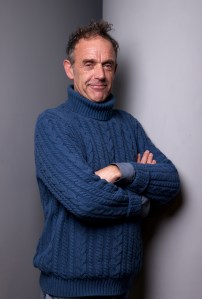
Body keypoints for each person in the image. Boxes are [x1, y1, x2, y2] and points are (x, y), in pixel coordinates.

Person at [33, 20, 180, 299]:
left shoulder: (129, 125)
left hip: (123, 288)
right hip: (68, 292)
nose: (99, 74)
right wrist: (142, 201)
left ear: (114, 70)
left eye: (108, 65)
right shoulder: (52, 124)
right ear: (69, 68)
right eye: (88, 64)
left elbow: (171, 182)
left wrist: (119, 170)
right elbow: (85, 200)